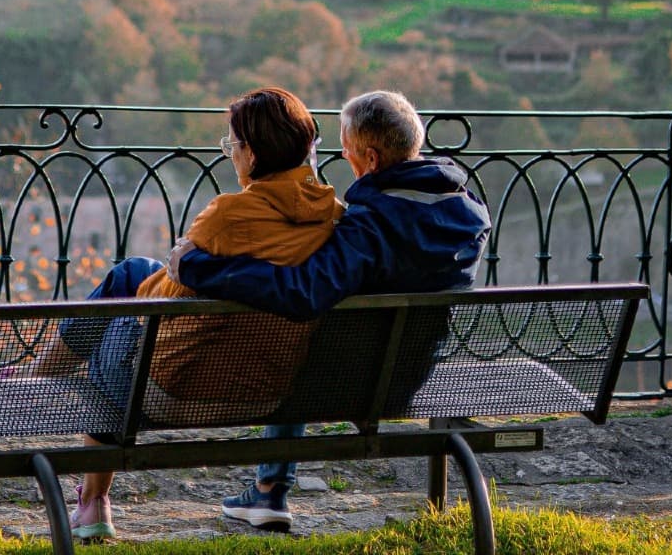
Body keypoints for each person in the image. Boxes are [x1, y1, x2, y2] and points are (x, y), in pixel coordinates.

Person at [24, 86, 343, 541]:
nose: (230, 154)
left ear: (251, 154)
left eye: (232, 144)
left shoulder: (228, 216)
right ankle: (270, 489)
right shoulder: (333, 220)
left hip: (170, 391)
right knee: (135, 276)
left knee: (125, 293)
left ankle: (89, 493)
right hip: (268, 390)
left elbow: (162, 296)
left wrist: (180, 258)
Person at [167, 89, 492, 532]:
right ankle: (268, 488)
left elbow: (302, 293)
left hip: (348, 385)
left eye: (349, 148)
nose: (343, 155)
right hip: (412, 375)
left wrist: (200, 266)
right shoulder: (469, 213)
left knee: (298, 339)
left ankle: (270, 489)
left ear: (372, 160)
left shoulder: (366, 225)